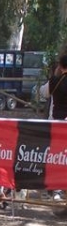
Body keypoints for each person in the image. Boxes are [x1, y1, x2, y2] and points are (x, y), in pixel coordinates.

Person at [40, 54, 67, 201]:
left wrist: (55, 75)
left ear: (60, 66)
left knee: (56, 156)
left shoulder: (55, 81)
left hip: (56, 124)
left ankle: (53, 188)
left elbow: (43, 92)